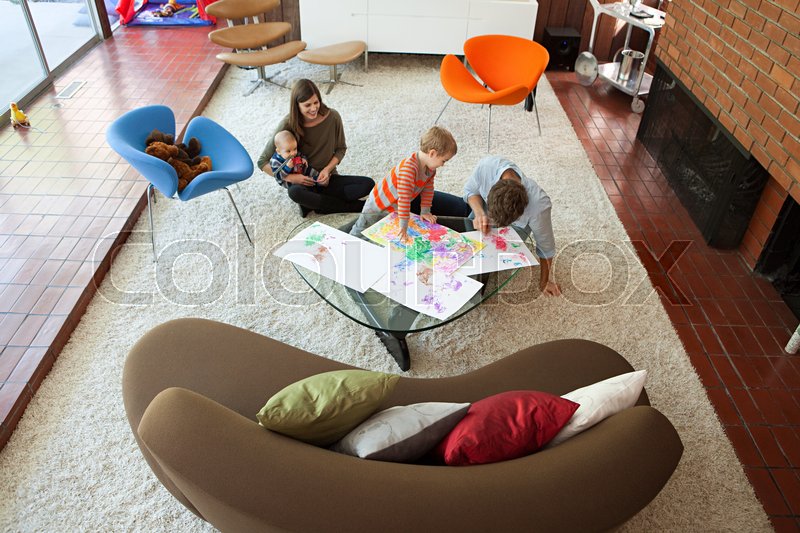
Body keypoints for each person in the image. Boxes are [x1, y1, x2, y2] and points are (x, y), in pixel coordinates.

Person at [257, 79, 374, 217]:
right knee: (295, 192)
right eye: (307, 105)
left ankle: (318, 205)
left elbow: (340, 149)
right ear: (297, 105)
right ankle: (353, 206)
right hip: (303, 182)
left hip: (326, 178)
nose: (313, 108)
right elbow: (262, 162)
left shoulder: (333, 117)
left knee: (368, 184)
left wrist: (327, 170)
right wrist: (290, 177)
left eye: (316, 102)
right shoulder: (288, 124)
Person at [463, 155, 561, 296]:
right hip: (482, 212)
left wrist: (544, 281)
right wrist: (479, 213)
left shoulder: (539, 206)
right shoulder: (486, 167)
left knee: (488, 260)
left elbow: (546, 247)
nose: (493, 225)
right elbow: (470, 191)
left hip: (514, 231)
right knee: (464, 246)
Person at [352, 126, 468, 241]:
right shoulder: (408, 169)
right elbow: (404, 199)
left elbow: (428, 190)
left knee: (380, 235)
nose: (443, 165)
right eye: (444, 160)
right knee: (361, 230)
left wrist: (425, 211)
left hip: (394, 209)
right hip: (377, 206)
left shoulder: (430, 169)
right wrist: (404, 224)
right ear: (432, 153)